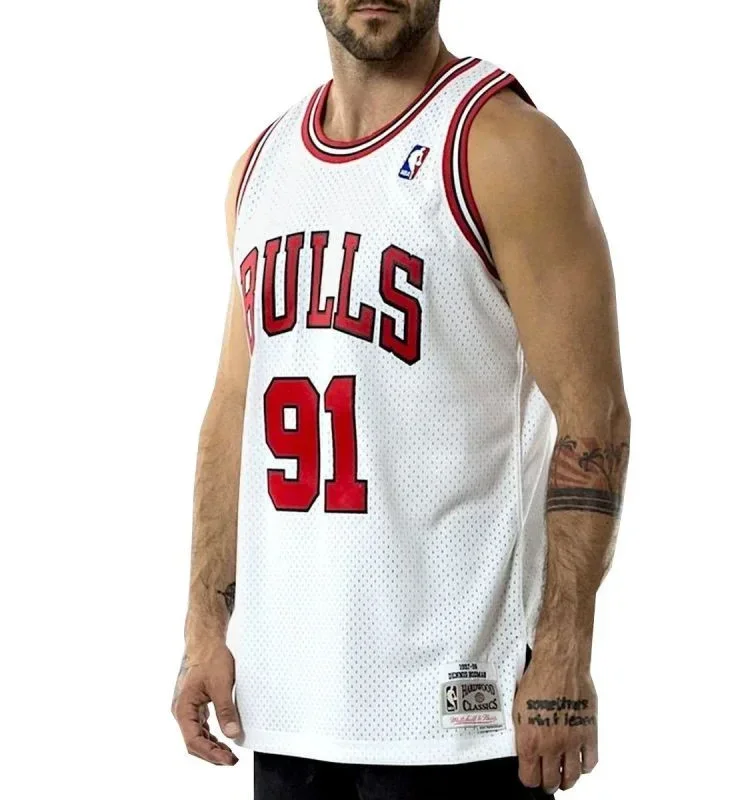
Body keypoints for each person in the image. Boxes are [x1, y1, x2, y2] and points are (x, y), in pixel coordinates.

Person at [171, 1, 631, 797]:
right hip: (289, 707)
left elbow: (596, 420)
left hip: (458, 715)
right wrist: (203, 624)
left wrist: (564, 652)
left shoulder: (505, 146)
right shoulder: (262, 167)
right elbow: (233, 410)